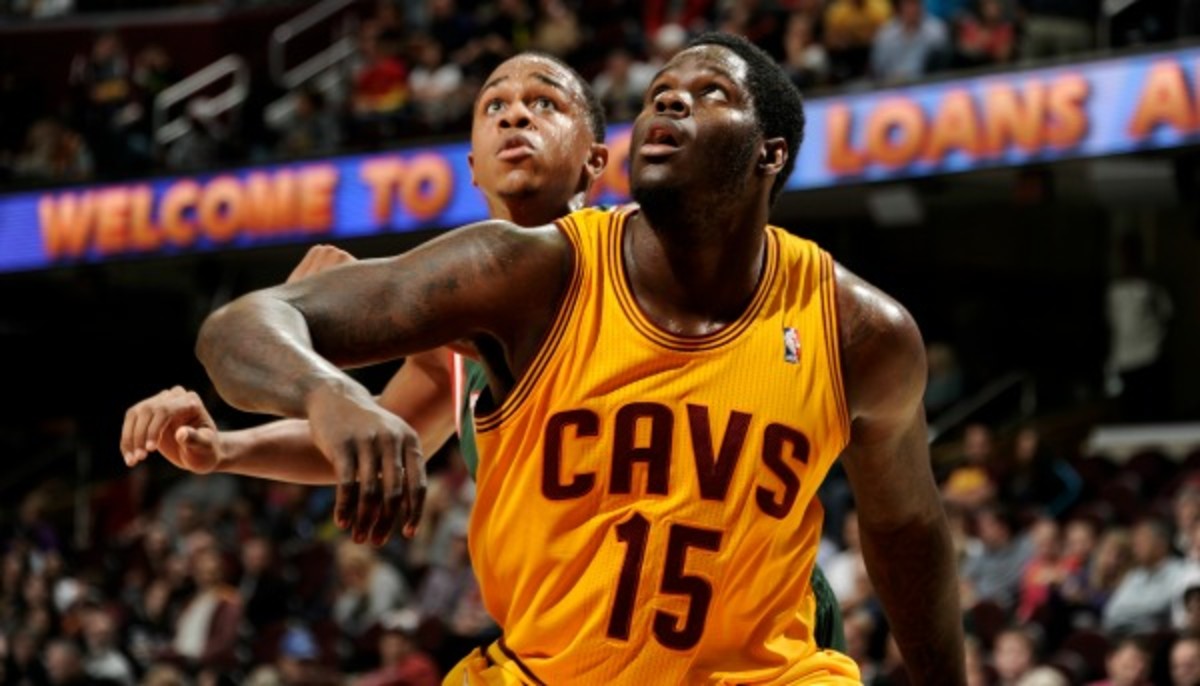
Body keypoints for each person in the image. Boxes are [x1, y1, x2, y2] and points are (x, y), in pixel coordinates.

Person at [192, 32, 964, 683]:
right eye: (660, 90)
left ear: (770, 154)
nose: (668, 100)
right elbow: (241, 327)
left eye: (709, 92)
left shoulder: (859, 328)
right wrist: (329, 397)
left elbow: (906, 526)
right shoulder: (523, 273)